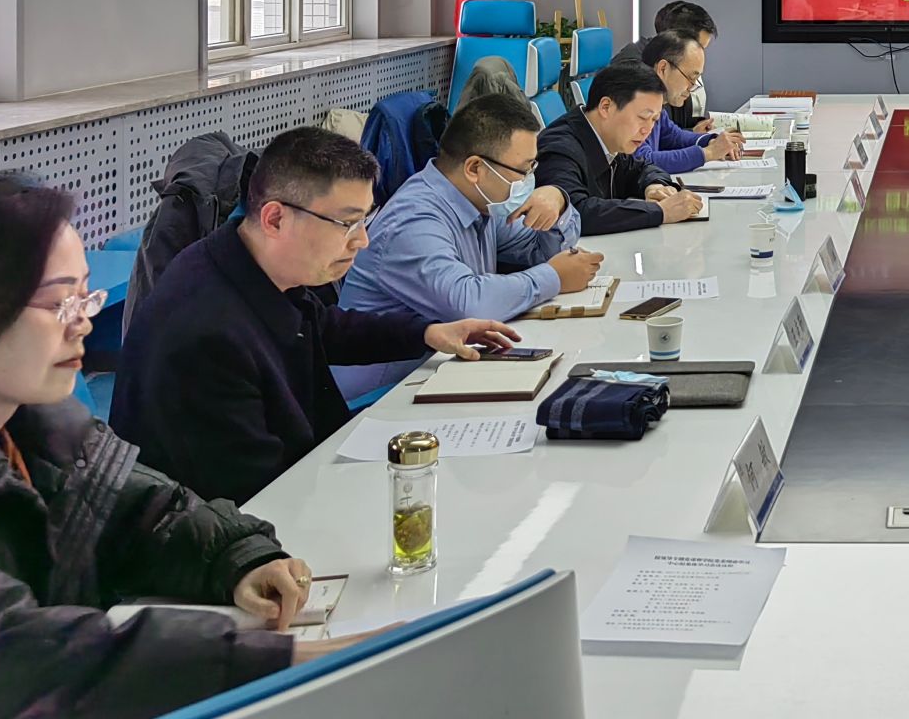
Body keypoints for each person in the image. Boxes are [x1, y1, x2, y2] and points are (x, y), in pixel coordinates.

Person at [0, 175, 365, 716]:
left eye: (84, 295)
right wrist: (265, 661)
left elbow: (140, 509)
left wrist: (235, 557)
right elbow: (7, 654)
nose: (82, 323)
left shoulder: (39, 424)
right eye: (57, 302)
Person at [113, 128, 519, 506]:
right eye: (347, 223)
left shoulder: (251, 261)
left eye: (364, 220)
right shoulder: (208, 337)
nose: (362, 241)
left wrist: (428, 333)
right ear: (275, 218)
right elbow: (260, 498)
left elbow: (322, 326)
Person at [334, 95, 603, 395]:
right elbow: (469, 304)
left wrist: (558, 201)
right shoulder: (413, 219)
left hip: (439, 374)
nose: (529, 180)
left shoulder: (481, 201)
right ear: (475, 168)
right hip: (380, 397)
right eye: (523, 170)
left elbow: (540, 250)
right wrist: (554, 277)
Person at [537, 63, 707, 234]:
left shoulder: (610, 137)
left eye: (654, 120)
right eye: (643, 117)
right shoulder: (559, 149)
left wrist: (655, 186)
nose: (647, 130)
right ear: (606, 107)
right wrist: (661, 212)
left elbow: (642, 167)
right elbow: (575, 212)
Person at [632, 30, 742, 173]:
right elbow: (642, 161)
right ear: (663, 69)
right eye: (690, 77)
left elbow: (674, 137)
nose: (692, 87)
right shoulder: (632, 101)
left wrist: (711, 141)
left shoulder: (656, 103)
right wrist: (708, 153)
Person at [616, 0, 719, 130]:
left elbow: (672, 130)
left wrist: (697, 131)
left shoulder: (674, 66)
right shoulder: (635, 74)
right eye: (698, 47)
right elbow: (647, 138)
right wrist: (693, 136)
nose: (700, 55)